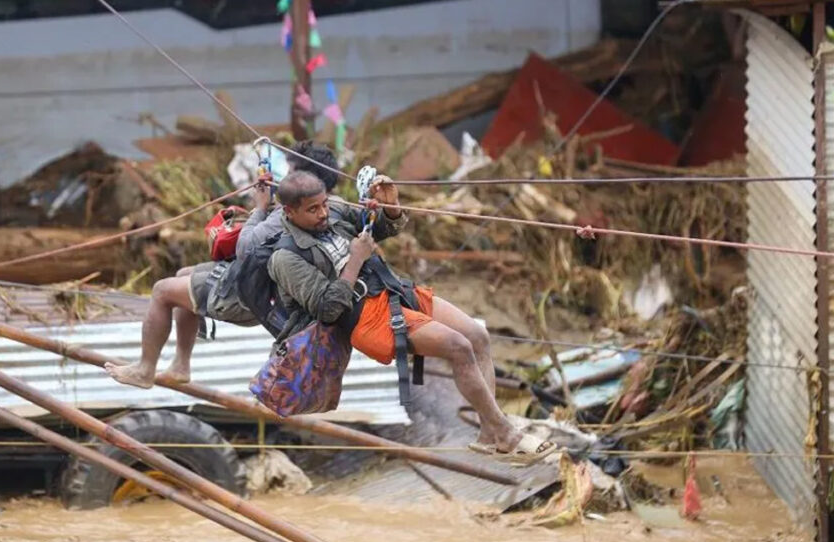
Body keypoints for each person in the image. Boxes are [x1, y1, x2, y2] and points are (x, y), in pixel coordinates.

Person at [267, 170, 558, 464]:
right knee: (459, 347)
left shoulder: (335, 211)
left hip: (394, 289)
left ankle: (488, 436)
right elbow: (328, 310)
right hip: (365, 318)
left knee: (477, 336)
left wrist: (390, 207)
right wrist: (356, 258)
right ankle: (506, 433)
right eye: (313, 209)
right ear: (289, 212)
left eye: (324, 204)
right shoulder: (285, 257)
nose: (323, 213)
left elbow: (381, 228)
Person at [103, 141, 343, 389]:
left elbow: (246, 248)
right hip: (263, 287)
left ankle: (145, 369)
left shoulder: (291, 213)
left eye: (293, 173)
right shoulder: (329, 208)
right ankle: (180, 365)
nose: (287, 178)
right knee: (184, 274)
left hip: (249, 294)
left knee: (162, 291)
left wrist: (260, 208)